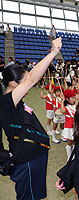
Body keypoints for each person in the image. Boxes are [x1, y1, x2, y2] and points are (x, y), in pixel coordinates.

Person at [0, 37, 62, 199]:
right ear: (14, 84)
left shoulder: (18, 102)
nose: (31, 83)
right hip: (26, 159)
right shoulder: (7, 103)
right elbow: (33, 78)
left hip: (34, 156)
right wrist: (53, 53)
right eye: (25, 80)